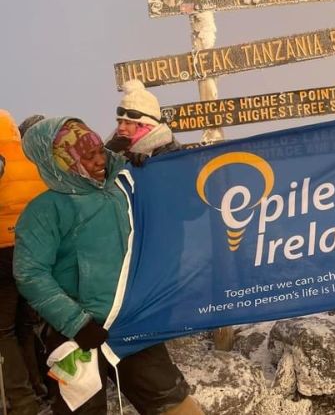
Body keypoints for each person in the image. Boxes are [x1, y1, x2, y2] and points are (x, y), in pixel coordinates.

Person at [13, 117, 203, 414]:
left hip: (132, 324)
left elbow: (187, 204)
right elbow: (30, 274)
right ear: (61, 162)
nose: (100, 160)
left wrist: (157, 167)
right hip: (77, 337)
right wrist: (76, 322)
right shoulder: (44, 211)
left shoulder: (123, 187)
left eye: (101, 150)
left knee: (177, 406)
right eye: (88, 156)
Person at [0, 110, 48, 415]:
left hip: (2, 256)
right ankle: (38, 386)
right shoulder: (30, 157)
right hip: (35, 253)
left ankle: (21, 402)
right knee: (24, 325)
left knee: (2, 331)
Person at [106, 80, 180, 164]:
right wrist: (106, 156)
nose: (121, 128)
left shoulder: (169, 152)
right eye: (119, 122)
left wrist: (144, 166)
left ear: (146, 126)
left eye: (128, 123)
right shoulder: (114, 148)